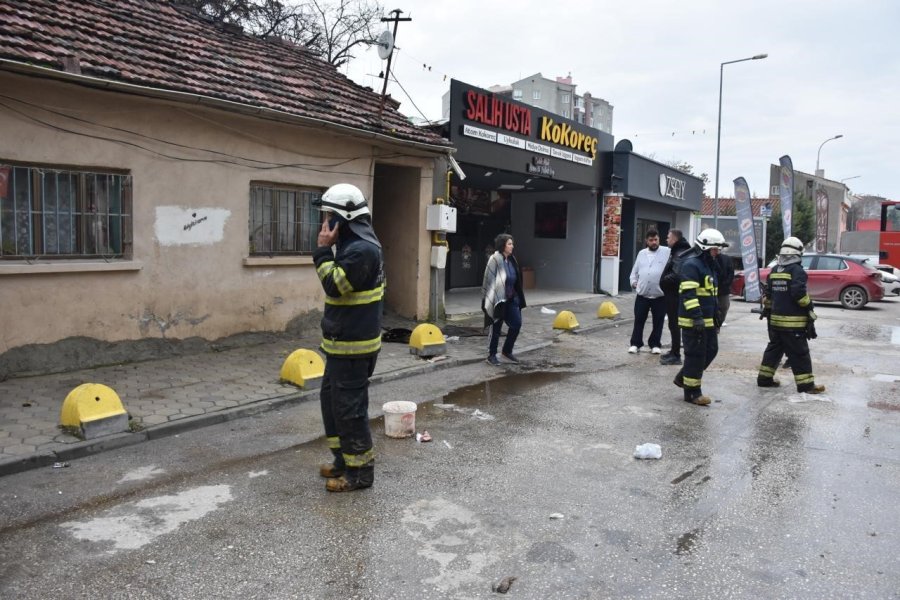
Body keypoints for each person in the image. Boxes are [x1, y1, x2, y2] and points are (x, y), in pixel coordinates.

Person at [313, 183, 385, 492]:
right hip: (340, 345)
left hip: (354, 349)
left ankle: (360, 474)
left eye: (330, 216)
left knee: (350, 411)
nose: (326, 222)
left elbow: (334, 285)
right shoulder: (352, 246)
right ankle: (343, 460)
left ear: (346, 218)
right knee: (332, 404)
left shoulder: (361, 250)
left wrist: (321, 250)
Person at [756, 237, 825, 394]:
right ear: (798, 254)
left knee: (774, 350)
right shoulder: (797, 271)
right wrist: (809, 305)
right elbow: (799, 294)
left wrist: (768, 312)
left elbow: (768, 296)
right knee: (800, 353)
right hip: (793, 325)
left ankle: (764, 379)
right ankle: (806, 386)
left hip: (775, 322)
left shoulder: (774, 270)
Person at [673, 229, 729, 406]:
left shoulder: (708, 265)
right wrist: (697, 317)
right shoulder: (692, 265)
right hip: (693, 320)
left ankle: (683, 377)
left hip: (707, 319)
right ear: (705, 248)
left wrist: (716, 314)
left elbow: (710, 294)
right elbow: (688, 294)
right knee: (695, 355)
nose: (717, 252)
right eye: (715, 249)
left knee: (711, 350)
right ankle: (693, 393)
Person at [482, 233, 527, 366]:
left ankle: (506, 352)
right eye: (509, 244)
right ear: (503, 245)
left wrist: (517, 297)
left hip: (511, 298)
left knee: (516, 324)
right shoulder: (494, 259)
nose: (512, 246)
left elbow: (516, 279)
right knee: (496, 328)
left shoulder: (512, 259)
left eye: (512, 244)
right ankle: (491, 355)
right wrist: (492, 298)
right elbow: (489, 280)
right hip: (498, 299)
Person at [627, 229, 670, 354]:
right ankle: (635, 343)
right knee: (639, 320)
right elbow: (634, 272)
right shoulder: (641, 254)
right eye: (651, 240)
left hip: (660, 295)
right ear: (646, 241)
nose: (654, 242)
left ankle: (655, 344)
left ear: (659, 239)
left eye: (656, 239)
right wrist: (633, 282)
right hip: (643, 294)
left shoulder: (667, 252)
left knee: (658, 321)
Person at [659, 229, 691, 365]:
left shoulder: (679, 253)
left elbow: (677, 275)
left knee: (674, 324)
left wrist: (664, 280)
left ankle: (676, 354)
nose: (666, 240)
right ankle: (674, 351)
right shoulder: (678, 251)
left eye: (668, 237)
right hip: (673, 294)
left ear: (675, 239)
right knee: (673, 324)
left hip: (675, 295)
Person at [715, 251, 735, 327]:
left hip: (723, 289)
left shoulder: (727, 259)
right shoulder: (707, 258)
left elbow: (731, 272)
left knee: (724, 306)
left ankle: (719, 323)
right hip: (710, 288)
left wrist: (727, 283)